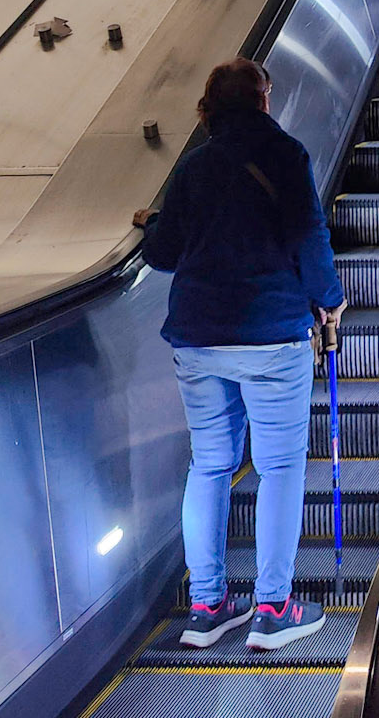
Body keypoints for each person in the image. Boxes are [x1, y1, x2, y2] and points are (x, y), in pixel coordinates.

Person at [135, 58, 345, 652]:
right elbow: (309, 234)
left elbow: (165, 252)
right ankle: (272, 608)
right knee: (279, 467)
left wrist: (152, 227)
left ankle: (207, 606)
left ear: (207, 110)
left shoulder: (193, 167)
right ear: (264, 100)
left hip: (198, 338)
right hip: (272, 336)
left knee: (209, 465)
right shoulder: (287, 155)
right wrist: (329, 298)